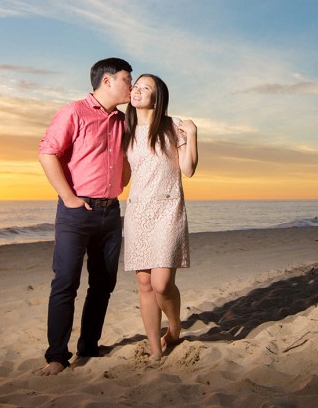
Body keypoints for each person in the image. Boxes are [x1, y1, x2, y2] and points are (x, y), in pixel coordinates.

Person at [37, 57, 133, 376]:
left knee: (103, 283)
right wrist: (69, 197)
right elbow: (47, 152)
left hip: (110, 210)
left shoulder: (122, 121)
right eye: (125, 79)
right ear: (107, 81)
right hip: (77, 211)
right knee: (65, 281)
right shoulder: (73, 112)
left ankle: (89, 345)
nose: (129, 86)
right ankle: (56, 355)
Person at [122, 74, 198, 360]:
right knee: (144, 284)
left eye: (146, 88)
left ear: (158, 96)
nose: (137, 91)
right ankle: (155, 348)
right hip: (138, 210)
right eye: (136, 86)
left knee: (162, 284)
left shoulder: (171, 126)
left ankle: (175, 328)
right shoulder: (125, 128)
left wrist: (192, 135)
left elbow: (188, 169)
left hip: (168, 209)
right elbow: (125, 176)